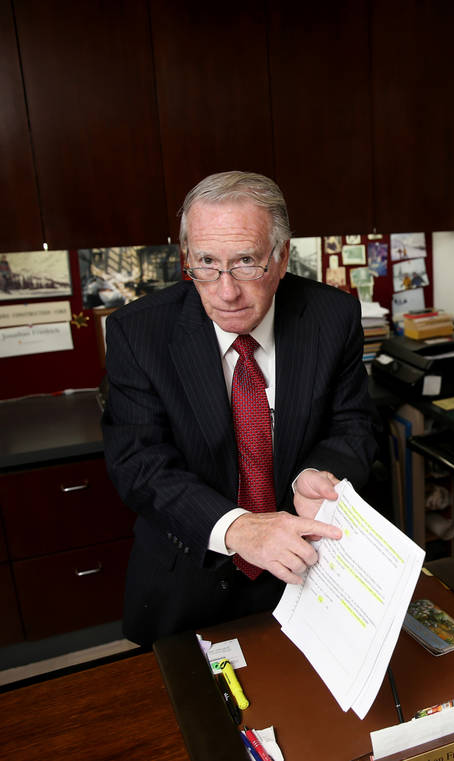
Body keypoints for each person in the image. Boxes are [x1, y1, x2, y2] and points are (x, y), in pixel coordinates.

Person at [102, 171, 377, 646]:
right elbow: (139, 465)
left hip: (306, 570)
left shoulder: (333, 317)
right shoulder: (137, 332)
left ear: (283, 256)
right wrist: (239, 529)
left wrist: (317, 473)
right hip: (185, 575)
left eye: (247, 262)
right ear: (188, 257)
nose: (226, 291)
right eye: (206, 263)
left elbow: (353, 425)